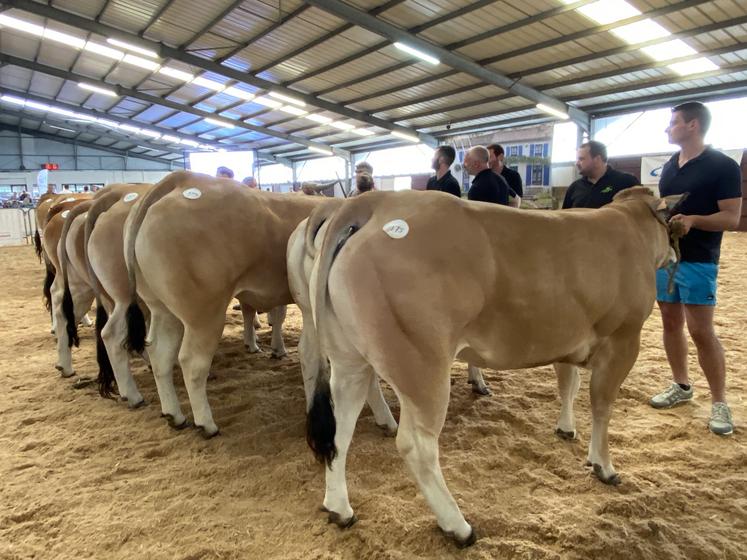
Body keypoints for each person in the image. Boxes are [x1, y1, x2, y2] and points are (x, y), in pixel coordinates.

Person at [649, 101, 742, 436]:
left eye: (673, 122)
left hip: (701, 258)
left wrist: (693, 220)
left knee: (701, 331)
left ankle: (720, 402)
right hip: (669, 257)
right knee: (670, 322)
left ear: (693, 125)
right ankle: (682, 386)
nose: (667, 128)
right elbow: (668, 206)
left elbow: (731, 218)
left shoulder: (723, 166)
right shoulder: (671, 166)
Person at [562, 141, 638, 209]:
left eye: (581, 159)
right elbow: (565, 218)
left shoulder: (626, 182)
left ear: (597, 159)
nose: (577, 163)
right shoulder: (574, 188)